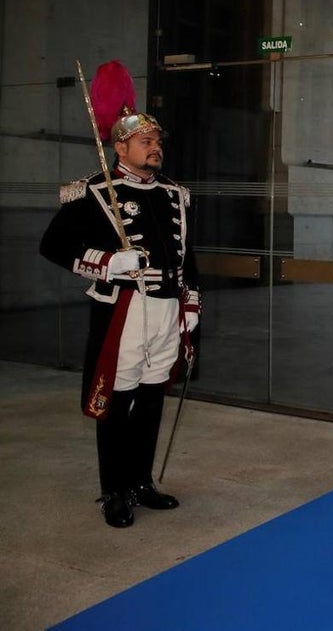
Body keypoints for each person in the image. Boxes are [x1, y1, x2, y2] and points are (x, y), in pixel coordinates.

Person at [39, 60, 199, 529]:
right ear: (120, 145)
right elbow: (53, 246)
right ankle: (113, 490)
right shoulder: (92, 192)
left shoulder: (175, 194)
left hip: (167, 310)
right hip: (123, 310)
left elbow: (188, 257)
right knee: (117, 401)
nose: (156, 149)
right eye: (146, 142)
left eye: (157, 142)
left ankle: (141, 483)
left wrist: (190, 304)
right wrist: (108, 262)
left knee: (152, 399)